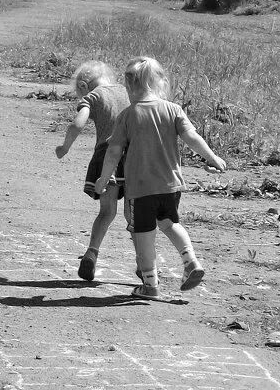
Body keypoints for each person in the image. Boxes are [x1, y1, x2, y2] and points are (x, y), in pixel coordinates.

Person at [95, 56, 226, 299]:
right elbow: (192, 138)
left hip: (140, 189)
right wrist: (212, 157)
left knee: (144, 235)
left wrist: (104, 179)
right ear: (158, 82)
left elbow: (113, 152)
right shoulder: (173, 109)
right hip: (170, 186)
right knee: (169, 223)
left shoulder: (127, 115)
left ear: (129, 86)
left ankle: (150, 285)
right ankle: (190, 260)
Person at [55, 61, 130, 281]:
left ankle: (91, 253)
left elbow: (78, 124)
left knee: (107, 212)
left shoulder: (94, 97)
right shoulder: (130, 91)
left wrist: (64, 147)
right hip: (134, 156)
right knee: (132, 214)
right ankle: (144, 263)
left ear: (83, 85)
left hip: (107, 156)